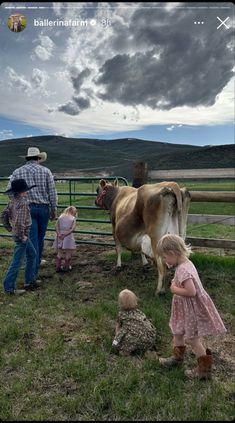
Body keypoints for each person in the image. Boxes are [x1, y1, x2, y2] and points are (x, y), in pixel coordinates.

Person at [157, 234, 226, 380]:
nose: (164, 261)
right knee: (177, 331)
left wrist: (174, 289)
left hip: (191, 310)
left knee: (193, 339)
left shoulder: (183, 270)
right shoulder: (185, 264)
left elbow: (191, 292)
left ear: (172, 253)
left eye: (164, 257)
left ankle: (204, 370)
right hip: (183, 308)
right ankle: (177, 359)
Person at [7, 147, 58, 277]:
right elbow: (52, 192)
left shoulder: (17, 172)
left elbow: (9, 190)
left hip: (26, 208)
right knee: (40, 238)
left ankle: (33, 266)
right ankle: (32, 274)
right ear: (38, 158)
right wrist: (53, 209)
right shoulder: (46, 171)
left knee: (33, 238)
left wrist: (18, 204)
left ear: (27, 158)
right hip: (43, 208)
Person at [2, 179, 40, 295]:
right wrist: (22, 235)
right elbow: (20, 222)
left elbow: (3, 215)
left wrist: (9, 228)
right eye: (25, 190)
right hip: (22, 235)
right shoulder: (23, 204)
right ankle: (9, 288)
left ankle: (29, 280)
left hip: (18, 233)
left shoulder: (12, 201)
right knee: (17, 261)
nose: (26, 192)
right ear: (21, 192)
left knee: (32, 254)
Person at [112, 289, 157, 356]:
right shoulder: (139, 312)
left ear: (120, 303)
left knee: (126, 336)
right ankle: (147, 349)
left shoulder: (121, 315)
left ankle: (125, 352)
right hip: (149, 339)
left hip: (135, 341)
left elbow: (119, 328)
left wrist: (116, 338)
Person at [53, 206, 77, 272]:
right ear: (74, 212)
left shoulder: (60, 217)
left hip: (60, 235)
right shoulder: (73, 218)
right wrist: (66, 234)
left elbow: (56, 226)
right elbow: (73, 228)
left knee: (59, 252)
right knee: (68, 252)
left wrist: (58, 234)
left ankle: (58, 267)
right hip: (68, 236)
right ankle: (66, 267)